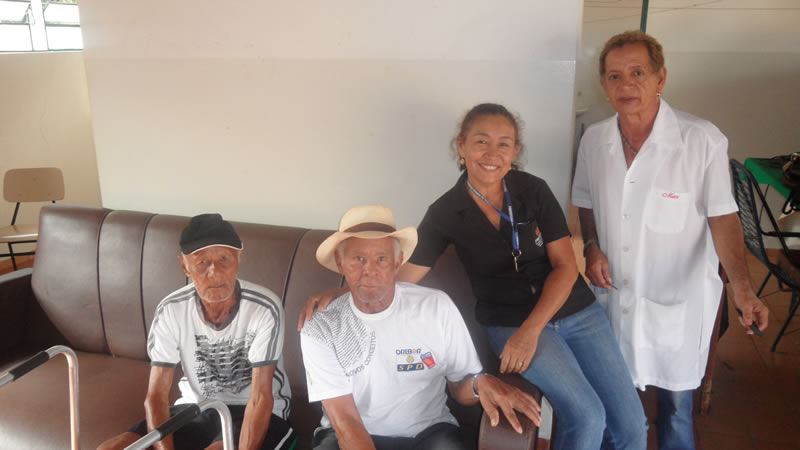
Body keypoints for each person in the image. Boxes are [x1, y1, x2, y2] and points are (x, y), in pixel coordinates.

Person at [300, 105, 647, 450]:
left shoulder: (533, 191)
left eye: (504, 144)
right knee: (588, 416)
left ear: (515, 152)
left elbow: (566, 267)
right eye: (481, 142)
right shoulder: (446, 212)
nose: (492, 154)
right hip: (508, 321)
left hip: (573, 311)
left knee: (632, 425)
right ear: (461, 147)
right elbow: (399, 271)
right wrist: (343, 290)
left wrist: (531, 332)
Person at [572, 30, 770, 450]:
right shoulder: (595, 140)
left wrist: (743, 287)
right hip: (614, 298)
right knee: (617, 404)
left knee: (676, 408)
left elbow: (723, 216)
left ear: (661, 79)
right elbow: (584, 200)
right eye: (614, 76)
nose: (626, 85)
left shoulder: (701, 141)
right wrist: (591, 245)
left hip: (676, 303)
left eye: (637, 73)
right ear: (604, 84)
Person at [301, 205, 541, 450]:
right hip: (349, 436)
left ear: (398, 262)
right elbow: (345, 421)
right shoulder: (321, 325)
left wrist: (480, 384)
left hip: (428, 433)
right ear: (341, 263)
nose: (369, 270)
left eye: (381, 259)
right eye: (358, 259)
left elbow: (460, 387)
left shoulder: (436, 307)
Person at [98, 213, 294, 450]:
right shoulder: (171, 310)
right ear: (184, 265)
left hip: (252, 409)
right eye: (201, 263)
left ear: (239, 258)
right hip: (195, 407)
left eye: (224, 259)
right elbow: (157, 395)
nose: (214, 272)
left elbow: (261, 397)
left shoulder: (264, 307)